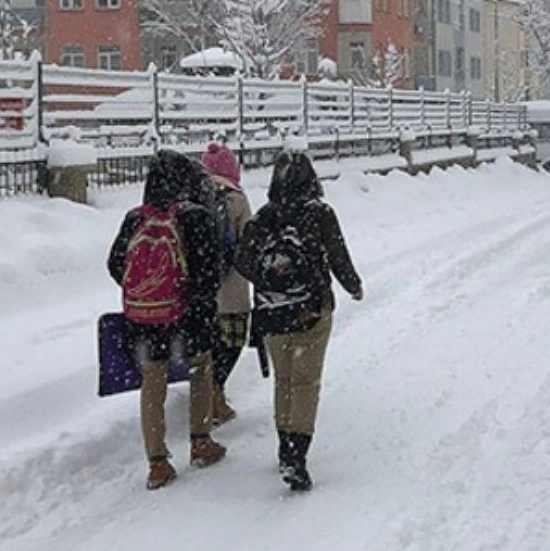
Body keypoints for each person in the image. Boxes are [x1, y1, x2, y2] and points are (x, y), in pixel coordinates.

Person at [236, 151, 363, 492]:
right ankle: (297, 454)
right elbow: (337, 254)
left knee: (285, 381)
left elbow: (242, 261)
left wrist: (271, 278)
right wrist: (353, 285)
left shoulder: (263, 218)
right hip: (311, 309)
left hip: (272, 311)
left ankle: (283, 446)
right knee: (306, 383)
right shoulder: (319, 213)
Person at [107, 150, 227, 491]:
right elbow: (209, 273)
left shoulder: (135, 218)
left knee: (153, 382)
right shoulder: (195, 216)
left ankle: (157, 463)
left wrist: (146, 291)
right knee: (201, 369)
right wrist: (188, 299)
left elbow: (115, 264)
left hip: (143, 319)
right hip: (187, 316)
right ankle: (201, 441)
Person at [200, 142, 253, 427]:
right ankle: (216, 392)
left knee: (208, 345)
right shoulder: (237, 199)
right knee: (232, 342)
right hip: (232, 289)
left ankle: (206, 394)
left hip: (202, 290)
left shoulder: (194, 196)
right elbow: (250, 242)